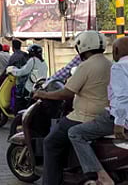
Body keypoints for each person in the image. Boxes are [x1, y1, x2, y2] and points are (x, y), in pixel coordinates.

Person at [33, 30, 111, 185]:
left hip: (84, 116)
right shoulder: (109, 63)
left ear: (81, 47)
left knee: (50, 142)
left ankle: (51, 182)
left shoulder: (86, 66)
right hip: (105, 114)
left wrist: (43, 94)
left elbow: (67, 93)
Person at [67, 36, 128, 185]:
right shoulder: (108, 64)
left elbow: (122, 97)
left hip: (117, 117)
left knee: (75, 133)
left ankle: (101, 176)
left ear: (116, 50)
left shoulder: (119, 66)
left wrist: (119, 123)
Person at [6, 44, 48, 113]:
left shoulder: (33, 60)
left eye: (29, 52)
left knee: (19, 101)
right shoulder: (44, 63)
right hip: (40, 87)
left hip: (30, 88)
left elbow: (23, 71)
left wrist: (12, 70)